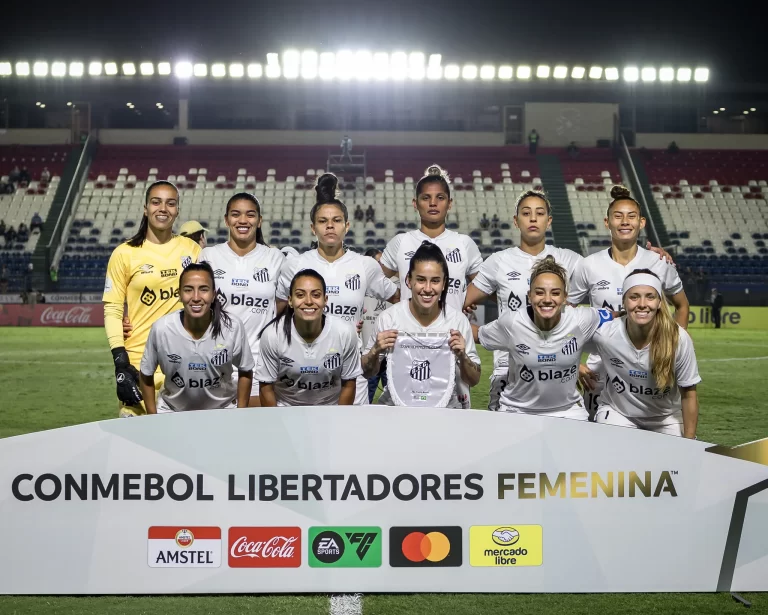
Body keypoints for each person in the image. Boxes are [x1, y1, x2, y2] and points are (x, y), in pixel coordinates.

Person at [276, 173, 399, 405]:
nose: (330, 226)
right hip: (303, 371)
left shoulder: (365, 266)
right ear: (313, 228)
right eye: (323, 221)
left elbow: (400, 299)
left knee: (350, 437)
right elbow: (279, 313)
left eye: (336, 220)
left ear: (347, 226)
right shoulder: (295, 265)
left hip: (351, 371)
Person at [568, 185, 689, 416]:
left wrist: (675, 346)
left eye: (631, 216)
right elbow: (565, 315)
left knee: (649, 430)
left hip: (650, 364)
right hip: (599, 365)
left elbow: (682, 305)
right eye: (618, 216)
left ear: (641, 223)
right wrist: (574, 362)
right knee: (595, 432)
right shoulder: (588, 264)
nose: (625, 222)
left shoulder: (659, 262)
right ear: (607, 222)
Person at [464, 191, 583, 410]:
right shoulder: (499, 261)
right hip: (508, 368)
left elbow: (609, 280)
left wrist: (657, 258)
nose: (533, 218)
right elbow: (459, 303)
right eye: (526, 213)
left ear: (549, 221)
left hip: (557, 366)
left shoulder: (570, 260)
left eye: (540, 213)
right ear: (516, 221)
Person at [379, 164, 482, 408]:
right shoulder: (401, 242)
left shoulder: (464, 244)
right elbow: (376, 280)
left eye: (440, 198)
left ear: (450, 203)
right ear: (416, 204)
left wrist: (461, 304)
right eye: (426, 198)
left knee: (451, 415)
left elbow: (482, 284)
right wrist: (395, 294)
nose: (433, 203)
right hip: (408, 343)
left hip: (450, 341)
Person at [103, 180, 201, 417]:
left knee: (180, 446)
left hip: (183, 363)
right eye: (156, 202)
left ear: (177, 210)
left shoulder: (192, 250)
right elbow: (113, 309)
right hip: (139, 363)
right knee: (134, 447)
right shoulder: (124, 253)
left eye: (170, 203)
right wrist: (120, 363)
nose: (163, 208)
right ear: (145, 208)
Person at [477, 256, 613, 419]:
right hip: (517, 410)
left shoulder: (581, 319)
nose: (547, 299)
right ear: (529, 296)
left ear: (565, 298)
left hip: (568, 410)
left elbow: (619, 317)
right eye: (539, 292)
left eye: (555, 293)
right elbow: (478, 334)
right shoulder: (512, 322)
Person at [362, 242, 481, 408]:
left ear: (444, 283)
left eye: (435, 281)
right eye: (420, 280)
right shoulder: (389, 318)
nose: (427, 288)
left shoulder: (457, 321)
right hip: (398, 414)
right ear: (408, 281)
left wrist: (463, 356)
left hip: (445, 415)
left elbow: (474, 380)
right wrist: (375, 350)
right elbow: (367, 372)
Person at [586, 270, 700, 437]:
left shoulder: (678, 338)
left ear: (660, 302)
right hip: (619, 414)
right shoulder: (606, 333)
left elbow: (689, 395)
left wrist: (690, 443)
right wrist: (579, 368)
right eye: (634, 297)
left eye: (650, 297)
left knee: (673, 462)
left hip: (666, 418)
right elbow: (564, 343)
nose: (642, 304)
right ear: (623, 301)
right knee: (613, 459)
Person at [198, 192, 285, 407]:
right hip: (215, 362)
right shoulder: (209, 256)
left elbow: (283, 305)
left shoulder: (275, 258)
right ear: (227, 220)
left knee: (256, 431)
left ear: (259, 220)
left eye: (250, 215)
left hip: (261, 363)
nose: (243, 221)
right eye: (236, 215)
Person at [139, 263, 254, 413]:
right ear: (179, 294)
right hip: (172, 410)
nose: (196, 297)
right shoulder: (161, 329)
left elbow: (245, 370)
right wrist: (152, 416)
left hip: (222, 410)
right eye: (188, 290)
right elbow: (146, 374)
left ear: (214, 294)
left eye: (203, 290)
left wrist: (240, 412)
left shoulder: (232, 327)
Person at [256, 269, 362, 406]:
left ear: (325, 300)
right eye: (300, 295)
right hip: (286, 414)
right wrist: (277, 425)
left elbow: (349, 384)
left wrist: (339, 421)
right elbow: (266, 387)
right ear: (290, 301)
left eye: (316, 295)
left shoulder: (344, 332)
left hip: (330, 413)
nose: (308, 301)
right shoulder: (273, 334)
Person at [361, 248, 394, 402]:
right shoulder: (358, 288)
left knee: (393, 398)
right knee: (365, 397)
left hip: (390, 353)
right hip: (369, 353)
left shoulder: (392, 287)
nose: (382, 266)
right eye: (378, 262)